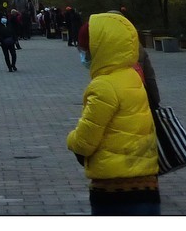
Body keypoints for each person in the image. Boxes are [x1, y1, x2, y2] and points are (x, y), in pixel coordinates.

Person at [66, 12, 159, 215]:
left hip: (114, 190)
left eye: (84, 49)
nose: (83, 54)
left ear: (99, 49)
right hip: (147, 183)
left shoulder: (104, 86)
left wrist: (71, 139)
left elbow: (85, 141)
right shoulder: (132, 76)